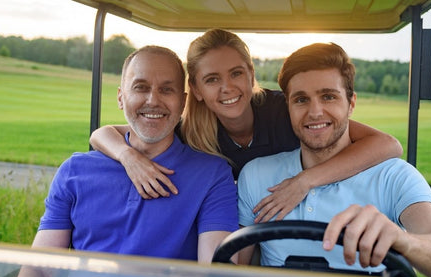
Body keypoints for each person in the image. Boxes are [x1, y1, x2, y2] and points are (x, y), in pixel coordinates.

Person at [2, 45, 239, 277]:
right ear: (120, 97)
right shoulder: (75, 170)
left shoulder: (212, 174)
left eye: (167, 89)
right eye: (141, 87)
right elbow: (40, 266)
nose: (153, 100)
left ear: (182, 102)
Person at [236, 42, 431, 277]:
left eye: (329, 96)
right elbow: (235, 271)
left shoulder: (393, 176)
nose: (315, 111)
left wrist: (403, 239)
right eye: (301, 99)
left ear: (351, 103)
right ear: (288, 107)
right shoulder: (256, 175)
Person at [90, 29, 403, 222]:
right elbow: (102, 135)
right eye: (212, 79)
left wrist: (305, 181)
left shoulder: (287, 108)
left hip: (304, 211)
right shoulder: (193, 130)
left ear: (252, 75)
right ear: (196, 90)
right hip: (249, 219)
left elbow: (389, 145)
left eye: (236, 74)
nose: (227, 88)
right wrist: (128, 157)